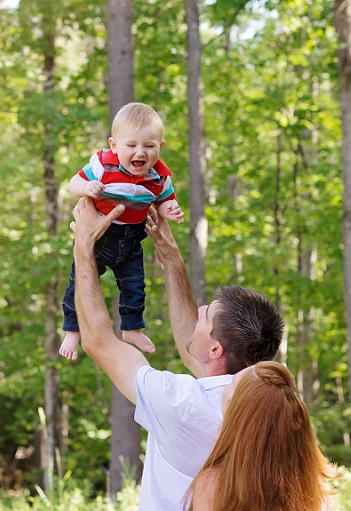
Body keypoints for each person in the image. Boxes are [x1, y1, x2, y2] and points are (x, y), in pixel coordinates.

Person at [70, 197, 284, 510]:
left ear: (216, 349)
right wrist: (171, 259)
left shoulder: (181, 404)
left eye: (205, 315)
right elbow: (197, 354)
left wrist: (83, 244)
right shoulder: (265, 409)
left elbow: (97, 340)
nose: (198, 311)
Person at [59, 102, 184, 361]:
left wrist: (170, 210)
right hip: (100, 237)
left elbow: (163, 202)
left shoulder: (159, 177)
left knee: (135, 286)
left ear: (159, 148)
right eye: (131, 145)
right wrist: (87, 188)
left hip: (131, 240)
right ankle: (72, 329)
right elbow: (73, 183)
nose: (140, 152)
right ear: (115, 146)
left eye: (149, 146)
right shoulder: (104, 165)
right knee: (78, 284)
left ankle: (132, 328)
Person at [186, 361, 338, 511]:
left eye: (231, 383)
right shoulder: (313, 488)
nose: (223, 388)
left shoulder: (213, 485)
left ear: (236, 407)